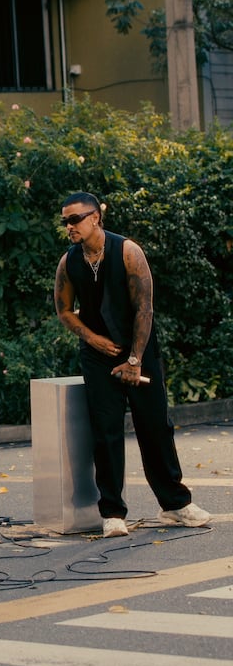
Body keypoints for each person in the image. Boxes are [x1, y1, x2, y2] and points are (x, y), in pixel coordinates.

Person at [54, 191, 210, 538]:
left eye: (75, 219)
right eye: (65, 221)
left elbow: (145, 308)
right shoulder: (69, 262)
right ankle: (112, 513)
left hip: (140, 348)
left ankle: (175, 505)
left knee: (155, 426)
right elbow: (64, 310)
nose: (69, 226)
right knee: (106, 431)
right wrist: (92, 339)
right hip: (98, 355)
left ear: (95, 217)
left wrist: (136, 359)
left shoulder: (127, 251)